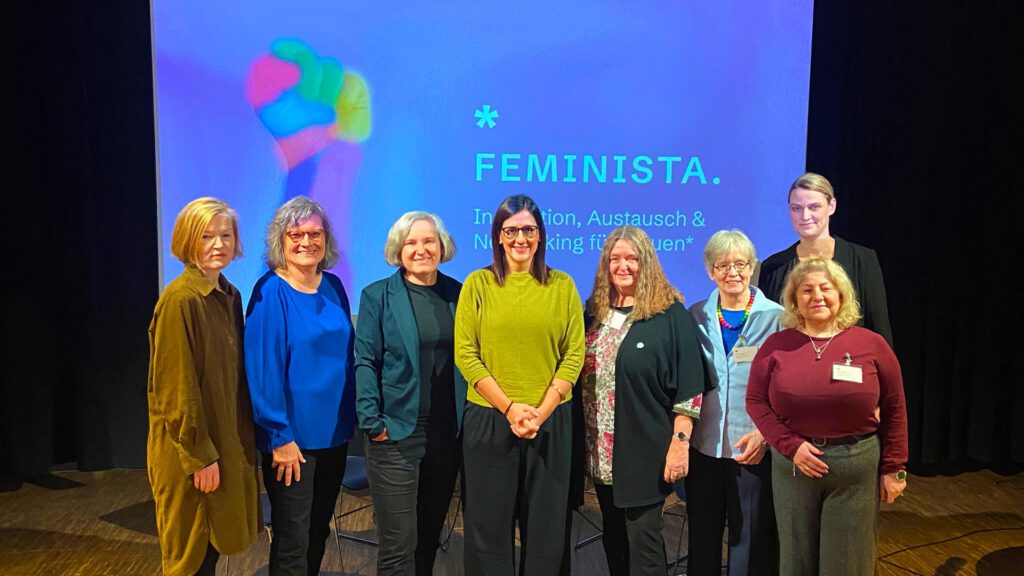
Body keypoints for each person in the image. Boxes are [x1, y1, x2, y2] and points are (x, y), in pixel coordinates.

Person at [746, 258, 908, 576]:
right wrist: (790, 446)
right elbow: (756, 401)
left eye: (825, 288)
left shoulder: (871, 345)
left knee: (848, 563)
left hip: (856, 468)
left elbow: (895, 407)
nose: (817, 296)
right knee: (796, 562)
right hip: (794, 466)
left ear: (841, 294)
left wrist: (895, 468)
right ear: (794, 301)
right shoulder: (776, 346)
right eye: (806, 290)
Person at [454, 194, 585, 574]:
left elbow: (573, 355)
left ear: (541, 235)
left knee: (546, 531)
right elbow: (466, 354)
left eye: (528, 229)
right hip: (489, 418)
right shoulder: (477, 284)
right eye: (510, 230)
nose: (520, 238)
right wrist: (510, 408)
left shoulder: (562, 286)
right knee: (486, 529)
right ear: (498, 236)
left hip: (550, 420)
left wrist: (539, 412)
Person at [579, 226, 707, 576]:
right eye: (615, 258)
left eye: (632, 258)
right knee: (614, 541)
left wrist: (680, 444)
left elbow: (690, 389)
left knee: (644, 545)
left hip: (645, 454)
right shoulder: (593, 313)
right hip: (600, 454)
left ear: (646, 262)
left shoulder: (670, 315)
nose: (623, 266)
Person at [147, 197, 260, 576]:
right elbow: (175, 391)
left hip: (222, 446)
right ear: (187, 240)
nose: (218, 244)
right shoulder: (180, 300)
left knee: (213, 551)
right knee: (190, 557)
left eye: (226, 235)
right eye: (207, 236)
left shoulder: (229, 296)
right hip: (192, 454)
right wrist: (201, 456)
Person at [245, 196, 357, 575]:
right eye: (296, 234)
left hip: (335, 434)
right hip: (291, 442)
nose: (306, 242)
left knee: (317, 532)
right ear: (281, 240)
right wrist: (279, 437)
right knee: (292, 540)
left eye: (315, 233)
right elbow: (262, 372)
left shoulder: (335, 287)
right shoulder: (269, 293)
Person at [354, 211, 465, 575]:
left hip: (445, 436)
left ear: (441, 245)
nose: (421, 249)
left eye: (428, 241)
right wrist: (372, 422)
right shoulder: (377, 296)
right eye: (411, 243)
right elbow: (365, 361)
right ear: (398, 250)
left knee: (429, 537)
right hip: (396, 435)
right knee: (398, 546)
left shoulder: (457, 293)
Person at [687, 229, 782, 576]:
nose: (733, 273)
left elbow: (786, 389)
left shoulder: (777, 318)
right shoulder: (695, 315)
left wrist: (765, 435)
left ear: (752, 267)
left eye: (740, 264)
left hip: (752, 446)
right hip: (704, 445)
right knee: (702, 536)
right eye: (723, 265)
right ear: (710, 271)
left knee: (749, 540)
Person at [757, 172, 893, 346]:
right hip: (793, 366)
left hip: (851, 364)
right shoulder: (773, 267)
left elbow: (879, 329)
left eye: (814, 207)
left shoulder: (863, 260)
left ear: (831, 206)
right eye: (796, 208)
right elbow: (768, 334)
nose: (805, 216)